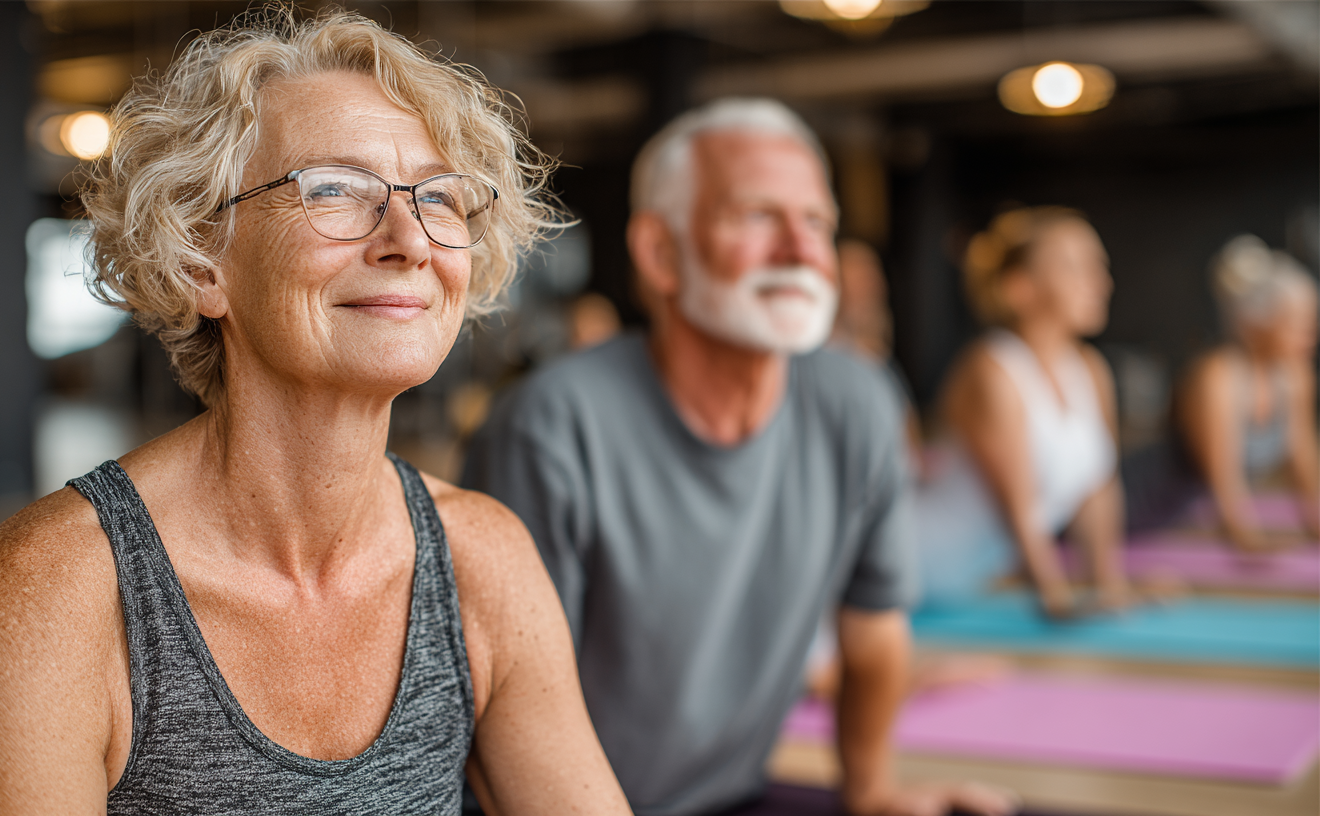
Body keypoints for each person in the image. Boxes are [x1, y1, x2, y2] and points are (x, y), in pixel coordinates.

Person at [0, 12, 631, 815]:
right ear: (202, 260)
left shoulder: (483, 559)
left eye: (439, 196)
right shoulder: (49, 592)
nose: (409, 239)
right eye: (333, 188)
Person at [463, 98, 1014, 816]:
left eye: (817, 222)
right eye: (757, 216)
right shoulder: (551, 427)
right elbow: (511, 716)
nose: (800, 250)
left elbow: (874, 635)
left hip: (734, 798)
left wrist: (872, 791)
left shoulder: (858, 402)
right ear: (661, 253)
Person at [915, 207, 1133, 618]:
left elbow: (1098, 489)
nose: (1100, 283)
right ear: (1020, 288)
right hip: (921, 563)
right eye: (1076, 267)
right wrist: (1056, 599)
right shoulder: (993, 367)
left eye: (1099, 267)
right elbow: (1019, 506)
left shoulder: (1091, 370)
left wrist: (1110, 587)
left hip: (974, 582)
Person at [1163, 236, 1319, 548]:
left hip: (1188, 518)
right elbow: (1224, 479)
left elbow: (1302, 461)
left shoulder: (1295, 377)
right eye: (1297, 324)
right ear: (1257, 322)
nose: (1310, 336)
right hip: (1146, 507)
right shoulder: (1218, 377)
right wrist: (1251, 542)